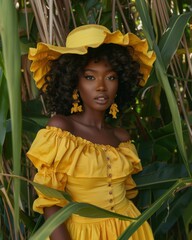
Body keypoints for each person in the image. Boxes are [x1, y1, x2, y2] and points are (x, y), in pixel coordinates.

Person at [27, 24, 156, 240]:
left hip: (132, 231)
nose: (101, 87)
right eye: (90, 77)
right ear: (73, 82)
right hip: (83, 234)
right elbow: (51, 204)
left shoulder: (121, 139)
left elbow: (128, 194)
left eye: (111, 77)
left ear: (120, 82)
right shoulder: (61, 130)